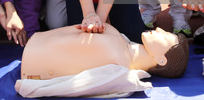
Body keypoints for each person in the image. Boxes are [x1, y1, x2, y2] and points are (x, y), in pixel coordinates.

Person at [20, 25, 188, 80]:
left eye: (166, 37)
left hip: (32, 62)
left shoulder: (117, 63)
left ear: (161, 60)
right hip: (36, 45)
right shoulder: (121, 45)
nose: (159, 28)